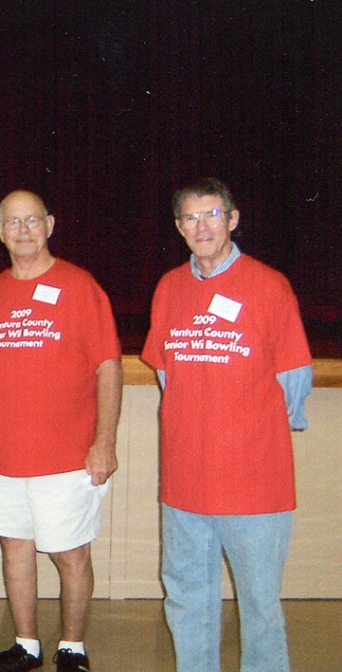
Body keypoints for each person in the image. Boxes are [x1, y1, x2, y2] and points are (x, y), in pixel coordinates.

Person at [141, 177, 312, 672]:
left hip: (255, 485)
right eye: (191, 217)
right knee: (187, 599)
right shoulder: (170, 287)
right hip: (185, 482)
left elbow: (294, 381)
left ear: (233, 219)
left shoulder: (269, 285)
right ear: (179, 227)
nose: (203, 226)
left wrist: (245, 435)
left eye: (213, 214)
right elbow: (166, 374)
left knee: (259, 606)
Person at [0, 190, 122, 672]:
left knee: (68, 554)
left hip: (67, 456)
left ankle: (72, 646)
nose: (23, 230)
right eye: (12, 222)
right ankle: (26, 645)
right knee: (15, 549)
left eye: (32, 220)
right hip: (2, 456)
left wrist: (105, 441)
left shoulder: (79, 286)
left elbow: (109, 366)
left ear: (50, 224)